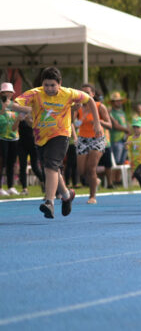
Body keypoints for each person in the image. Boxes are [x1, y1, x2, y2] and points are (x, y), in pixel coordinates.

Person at [10, 67, 102, 218]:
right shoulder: (35, 93)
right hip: (40, 137)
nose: (49, 88)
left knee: (50, 166)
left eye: (53, 85)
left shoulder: (68, 93)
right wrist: (11, 105)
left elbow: (90, 100)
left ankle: (49, 202)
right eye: (46, 85)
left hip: (61, 134)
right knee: (51, 168)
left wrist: (97, 123)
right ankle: (66, 195)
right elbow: (16, 104)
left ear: (60, 83)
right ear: (42, 84)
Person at [75, 84, 111, 204]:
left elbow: (110, 125)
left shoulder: (100, 106)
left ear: (93, 94)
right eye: (83, 93)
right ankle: (95, 181)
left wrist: (97, 121)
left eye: (87, 93)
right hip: (82, 139)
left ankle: (92, 196)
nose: (85, 95)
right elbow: (71, 122)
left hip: (97, 139)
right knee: (82, 171)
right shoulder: (78, 107)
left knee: (91, 168)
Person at [0, 82, 23, 196]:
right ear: (1, 93)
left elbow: (15, 127)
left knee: (11, 163)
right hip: (1, 137)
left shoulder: (15, 106)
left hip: (14, 138)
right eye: (5, 91)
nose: (7, 93)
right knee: (1, 163)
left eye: (9, 91)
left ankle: (11, 186)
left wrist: (18, 119)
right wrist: (3, 107)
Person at [107, 91, 130, 173]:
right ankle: (114, 181)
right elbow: (115, 125)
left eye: (120, 100)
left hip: (124, 139)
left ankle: (119, 181)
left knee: (122, 162)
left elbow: (126, 123)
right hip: (116, 140)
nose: (119, 102)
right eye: (117, 101)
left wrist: (128, 132)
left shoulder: (122, 112)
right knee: (115, 162)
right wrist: (127, 130)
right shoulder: (111, 113)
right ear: (112, 103)